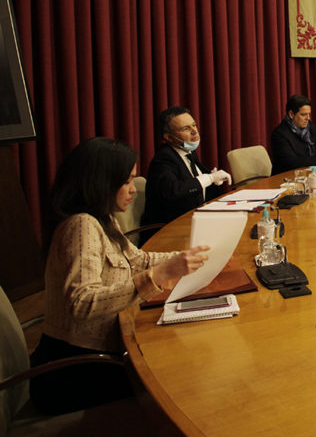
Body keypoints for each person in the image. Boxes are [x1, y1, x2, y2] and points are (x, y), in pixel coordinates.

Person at [31, 137, 210, 415]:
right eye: (126, 181)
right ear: (100, 181)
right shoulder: (81, 225)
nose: (133, 190)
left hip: (101, 355)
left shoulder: (103, 218)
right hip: (77, 370)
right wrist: (158, 275)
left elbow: (138, 260)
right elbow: (81, 303)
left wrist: (188, 258)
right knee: (186, 378)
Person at [141, 106, 231, 227]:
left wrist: (212, 179)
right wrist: (209, 178)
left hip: (196, 221)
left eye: (194, 125)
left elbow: (193, 183)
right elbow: (174, 191)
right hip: (169, 229)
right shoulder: (163, 159)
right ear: (168, 137)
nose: (194, 131)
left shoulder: (188, 153)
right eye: (186, 128)